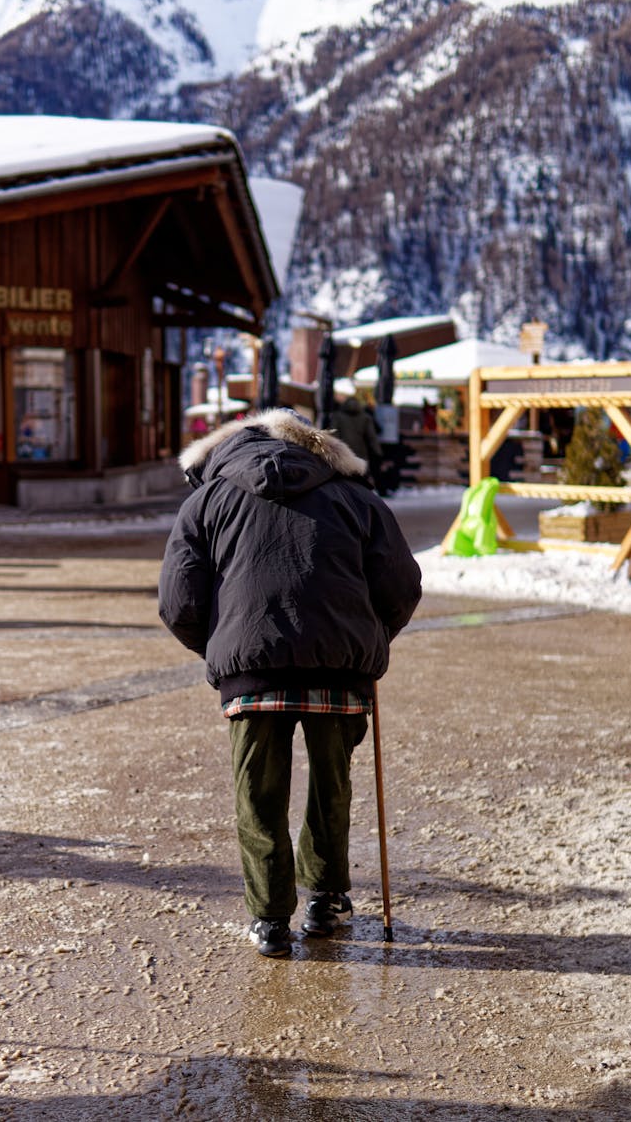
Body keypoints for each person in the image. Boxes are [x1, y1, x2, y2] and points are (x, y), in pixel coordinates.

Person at [158, 408, 422, 958]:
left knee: (257, 791)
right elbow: (400, 585)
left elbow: (179, 602)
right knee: (331, 785)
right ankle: (326, 899)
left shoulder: (205, 502)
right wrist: (366, 642)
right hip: (340, 668)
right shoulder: (357, 499)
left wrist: (226, 650)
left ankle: (270, 918)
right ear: (317, 446)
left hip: (251, 672)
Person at [330, 378, 383, 487]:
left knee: (345, 481)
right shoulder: (365, 417)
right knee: (360, 481)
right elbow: (372, 437)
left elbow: (333, 435)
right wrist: (378, 452)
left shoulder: (337, 417)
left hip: (344, 452)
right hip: (361, 453)